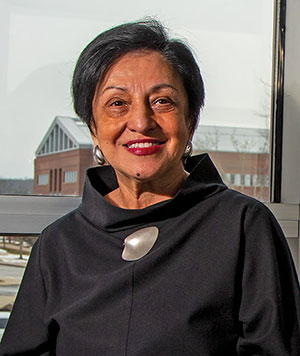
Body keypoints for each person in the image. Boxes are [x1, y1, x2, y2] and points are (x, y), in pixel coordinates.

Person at [1, 19, 299, 356]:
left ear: (190, 120)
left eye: (162, 102)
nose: (141, 122)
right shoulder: (56, 246)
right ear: (94, 129)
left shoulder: (244, 227)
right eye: (117, 104)